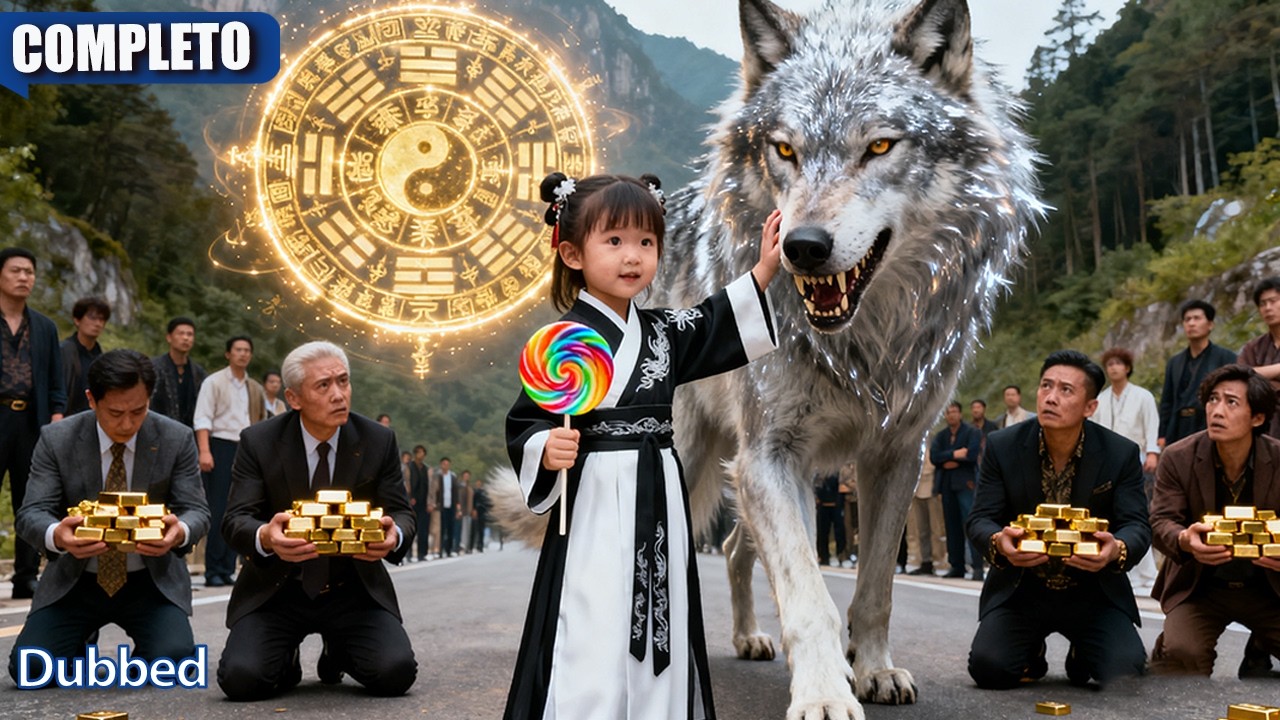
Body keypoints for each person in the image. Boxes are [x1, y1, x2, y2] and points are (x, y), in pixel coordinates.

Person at [504, 172, 780, 719]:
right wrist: (544, 448)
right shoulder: (562, 346)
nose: (633, 257)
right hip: (592, 502)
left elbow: (713, 321)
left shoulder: (663, 332)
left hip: (659, 491)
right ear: (571, 252)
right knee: (591, 613)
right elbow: (526, 421)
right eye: (614, 241)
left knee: (665, 609)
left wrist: (764, 272)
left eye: (646, 242)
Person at [216, 340, 416, 700]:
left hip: (350, 587)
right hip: (279, 588)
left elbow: (402, 512)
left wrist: (395, 534)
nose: (338, 394)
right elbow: (235, 519)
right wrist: (266, 536)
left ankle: (339, 648)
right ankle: (285, 657)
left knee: (395, 675)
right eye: (324, 386)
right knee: (241, 680)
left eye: (343, 381)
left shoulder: (377, 440)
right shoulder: (259, 441)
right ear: (294, 399)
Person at [8, 349, 210, 684]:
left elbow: (197, 510)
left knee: (173, 662)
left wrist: (180, 531)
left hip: (149, 579)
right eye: (115, 413)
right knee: (31, 669)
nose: (127, 424)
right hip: (77, 579)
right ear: (91, 399)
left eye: (138, 411)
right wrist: (59, 535)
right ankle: (80, 642)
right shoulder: (57, 439)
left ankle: (104, 662)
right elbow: (31, 513)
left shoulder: (176, 437)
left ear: (150, 398)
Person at [967, 350, 1150, 689]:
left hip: (1091, 590)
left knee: (1125, 670)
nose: (1051, 397)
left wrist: (1114, 550)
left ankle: (1083, 650)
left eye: (1066, 390)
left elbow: (1137, 525)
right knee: (990, 669)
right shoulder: (1001, 446)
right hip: (1023, 588)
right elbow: (980, 518)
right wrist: (999, 543)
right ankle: (1030, 650)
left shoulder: (1119, 453)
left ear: (1090, 407)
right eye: (1045, 386)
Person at [1149, 364, 1280, 676]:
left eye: (1231, 402)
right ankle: (1168, 644)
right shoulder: (1178, 457)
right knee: (1181, 659)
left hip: (1268, 586)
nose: (1217, 410)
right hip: (1202, 585)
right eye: (1212, 400)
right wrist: (1184, 539)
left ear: (1257, 417)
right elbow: (1160, 521)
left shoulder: (1278, 458)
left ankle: (1260, 646)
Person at [0, 247, 66, 599]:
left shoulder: (44, 326)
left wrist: (55, 420)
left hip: (32, 421)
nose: (24, 277)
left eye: (30, 272)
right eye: (16, 271)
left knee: (33, 500)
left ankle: (26, 576)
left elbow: (56, 382)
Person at [193, 336, 266, 587]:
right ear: (228, 354)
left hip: (245, 448)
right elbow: (202, 418)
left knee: (240, 508)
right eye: (238, 350)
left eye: (247, 350)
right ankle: (213, 569)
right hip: (219, 446)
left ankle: (228, 567)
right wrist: (204, 451)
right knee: (218, 508)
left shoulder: (254, 387)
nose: (243, 354)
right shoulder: (214, 382)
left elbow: (260, 422)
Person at [1091, 347, 1162, 591]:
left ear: (1128, 367)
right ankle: (1126, 569)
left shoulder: (1143, 396)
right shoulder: (1101, 399)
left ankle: (1148, 573)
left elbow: (1152, 425)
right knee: (1111, 514)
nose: (1113, 368)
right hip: (1106, 462)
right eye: (1109, 364)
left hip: (1136, 459)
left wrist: (1153, 452)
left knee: (1137, 514)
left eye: (1118, 363)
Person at [1159, 299, 1237, 449]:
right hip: (1178, 426)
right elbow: (1167, 401)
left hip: (1208, 423)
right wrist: (1162, 433)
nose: (1191, 323)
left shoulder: (1226, 358)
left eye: (1197, 318)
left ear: (1210, 324)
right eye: (1187, 319)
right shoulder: (1175, 362)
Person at [931, 401, 985, 580]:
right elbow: (934, 457)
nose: (951, 415)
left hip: (966, 483)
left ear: (960, 414)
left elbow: (971, 454)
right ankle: (957, 565)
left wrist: (948, 458)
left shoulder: (972, 432)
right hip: (946, 485)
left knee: (970, 524)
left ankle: (977, 566)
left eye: (954, 412)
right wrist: (955, 454)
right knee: (951, 526)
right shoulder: (941, 436)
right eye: (948, 412)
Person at [1238, 277, 1280, 439]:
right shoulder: (1254, 347)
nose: (1268, 308)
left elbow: (1252, 374)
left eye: (1273, 301)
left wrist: (1259, 374)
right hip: (1262, 425)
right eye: (1262, 304)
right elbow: (1241, 375)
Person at [149, 316, 206, 429]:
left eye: (190, 334)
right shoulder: (153, 367)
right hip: (157, 429)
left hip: (188, 434)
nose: (185, 338)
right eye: (181, 333)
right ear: (169, 337)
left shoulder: (198, 373)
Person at [59, 296, 110, 416]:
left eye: (101, 319)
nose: (97, 323)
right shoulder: (63, 351)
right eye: (92, 318)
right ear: (77, 320)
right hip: (66, 417)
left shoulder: (101, 357)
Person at [907, 458, 946, 576]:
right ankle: (925, 560)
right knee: (920, 529)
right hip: (916, 485)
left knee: (937, 529)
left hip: (933, 483)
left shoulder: (934, 440)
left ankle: (940, 561)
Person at [814, 472, 845, 567]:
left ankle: (841, 555)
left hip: (836, 503)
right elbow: (816, 485)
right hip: (822, 504)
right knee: (822, 532)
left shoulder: (837, 471)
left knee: (839, 531)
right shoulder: (818, 471)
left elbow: (841, 484)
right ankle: (823, 557)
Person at [436, 456, 463, 557]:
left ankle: (449, 550)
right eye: (444, 464)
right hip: (442, 506)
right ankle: (440, 550)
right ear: (441, 465)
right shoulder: (438, 476)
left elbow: (456, 493)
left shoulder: (453, 477)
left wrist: (457, 507)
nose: (445, 466)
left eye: (447, 464)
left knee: (451, 528)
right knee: (442, 529)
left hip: (451, 505)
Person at [408, 445, 431, 561]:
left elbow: (429, 486)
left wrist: (429, 502)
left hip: (423, 502)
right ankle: (409, 554)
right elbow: (407, 483)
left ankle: (423, 553)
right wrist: (410, 497)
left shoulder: (426, 469)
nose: (421, 455)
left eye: (423, 453)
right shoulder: (409, 467)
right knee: (411, 528)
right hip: (412, 501)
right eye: (419, 452)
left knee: (423, 529)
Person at [466, 470, 487, 553]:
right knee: (473, 530)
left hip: (482, 513)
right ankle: (471, 546)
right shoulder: (473, 491)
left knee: (481, 530)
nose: (478, 484)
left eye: (479, 483)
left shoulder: (484, 492)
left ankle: (480, 545)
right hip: (475, 512)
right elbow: (472, 501)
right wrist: (473, 509)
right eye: (477, 483)